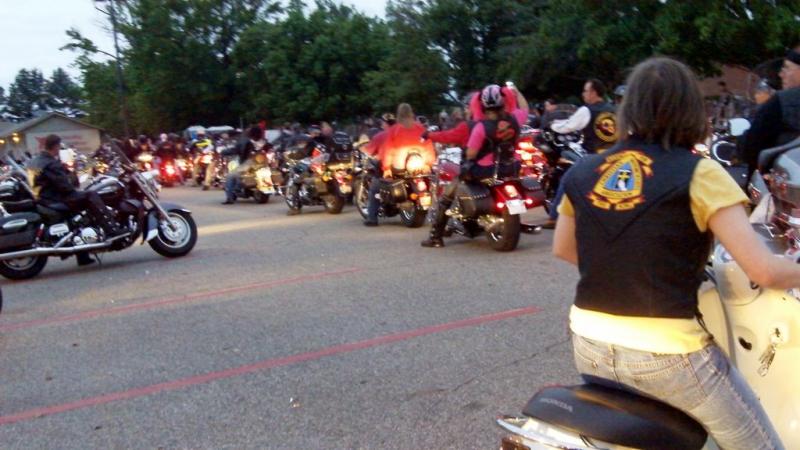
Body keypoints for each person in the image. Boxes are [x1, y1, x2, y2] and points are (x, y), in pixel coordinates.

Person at [552, 57, 787, 449]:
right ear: (690, 109)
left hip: (589, 343)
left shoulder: (583, 171)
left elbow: (563, 248)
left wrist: (629, 266)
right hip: (669, 355)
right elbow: (763, 271)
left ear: (630, 109)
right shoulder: (700, 173)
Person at [421, 84, 528, 247]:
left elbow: (471, 153)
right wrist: (517, 92)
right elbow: (525, 108)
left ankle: (435, 237)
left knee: (447, 195)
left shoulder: (480, 127)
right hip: (510, 167)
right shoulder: (515, 118)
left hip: (485, 170)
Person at [27, 135, 124, 266]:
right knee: (91, 195)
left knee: (80, 213)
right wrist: (73, 183)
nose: (59, 149)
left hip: (43, 197)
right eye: (59, 147)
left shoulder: (36, 161)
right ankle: (111, 230)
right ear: (55, 146)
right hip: (54, 198)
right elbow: (64, 186)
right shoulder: (51, 163)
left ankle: (82, 254)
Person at [543, 80, 618, 229]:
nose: (583, 94)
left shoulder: (587, 110)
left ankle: (554, 217)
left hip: (594, 157)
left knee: (568, 179)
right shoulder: (614, 110)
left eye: (585, 91)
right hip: (615, 156)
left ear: (593, 92)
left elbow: (568, 126)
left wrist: (552, 125)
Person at [364, 104, 435, 226]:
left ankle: (372, 218)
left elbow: (388, 150)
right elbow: (428, 147)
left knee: (375, 186)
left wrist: (386, 168)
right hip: (419, 165)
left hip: (399, 166)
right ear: (411, 113)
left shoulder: (395, 130)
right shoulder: (420, 128)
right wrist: (428, 164)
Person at [740, 47, 800, 174]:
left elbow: (751, 147)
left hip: (778, 180)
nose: (781, 74)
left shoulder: (782, 101)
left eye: (787, 68)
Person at [221, 126, 264, 205]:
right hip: (262, 164)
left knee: (230, 177)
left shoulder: (245, 140)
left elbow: (236, 150)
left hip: (248, 163)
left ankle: (230, 198)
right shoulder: (263, 141)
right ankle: (239, 186)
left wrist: (224, 152)